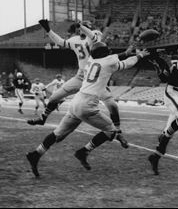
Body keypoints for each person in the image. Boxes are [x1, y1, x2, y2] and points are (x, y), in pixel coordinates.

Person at [26, 42, 150, 177]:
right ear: (104, 54)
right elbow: (128, 63)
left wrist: (126, 53)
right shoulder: (108, 62)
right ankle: (84, 151)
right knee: (111, 131)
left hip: (76, 102)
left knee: (58, 134)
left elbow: (118, 59)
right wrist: (139, 55)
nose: (110, 52)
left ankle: (36, 154)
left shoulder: (91, 60)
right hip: (87, 104)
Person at [27, 19, 130, 148]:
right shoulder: (74, 40)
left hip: (95, 79)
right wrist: (48, 30)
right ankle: (43, 118)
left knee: (112, 105)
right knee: (54, 97)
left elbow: (93, 37)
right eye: (80, 27)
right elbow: (60, 42)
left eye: (85, 26)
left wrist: (83, 26)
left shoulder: (95, 34)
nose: (82, 29)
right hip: (81, 76)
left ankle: (118, 133)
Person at [147, 38, 178, 175]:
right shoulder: (177, 58)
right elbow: (166, 79)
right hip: (173, 92)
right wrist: (160, 64)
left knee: (168, 133)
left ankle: (155, 157)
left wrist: (167, 61)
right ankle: (163, 137)